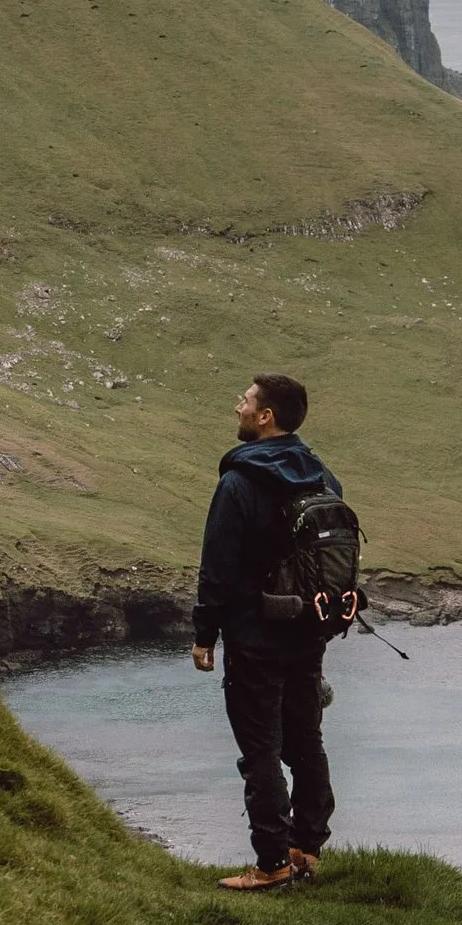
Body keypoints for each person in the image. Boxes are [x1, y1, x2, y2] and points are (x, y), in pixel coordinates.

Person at [192, 370, 338, 893]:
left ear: (265, 416)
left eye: (245, 401)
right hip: (310, 631)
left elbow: (219, 566)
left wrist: (204, 633)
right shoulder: (322, 476)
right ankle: (306, 847)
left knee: (261, 749)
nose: (238, 407)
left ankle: (272, 861)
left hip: (256, 635)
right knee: (307, 741)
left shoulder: (240, 481)